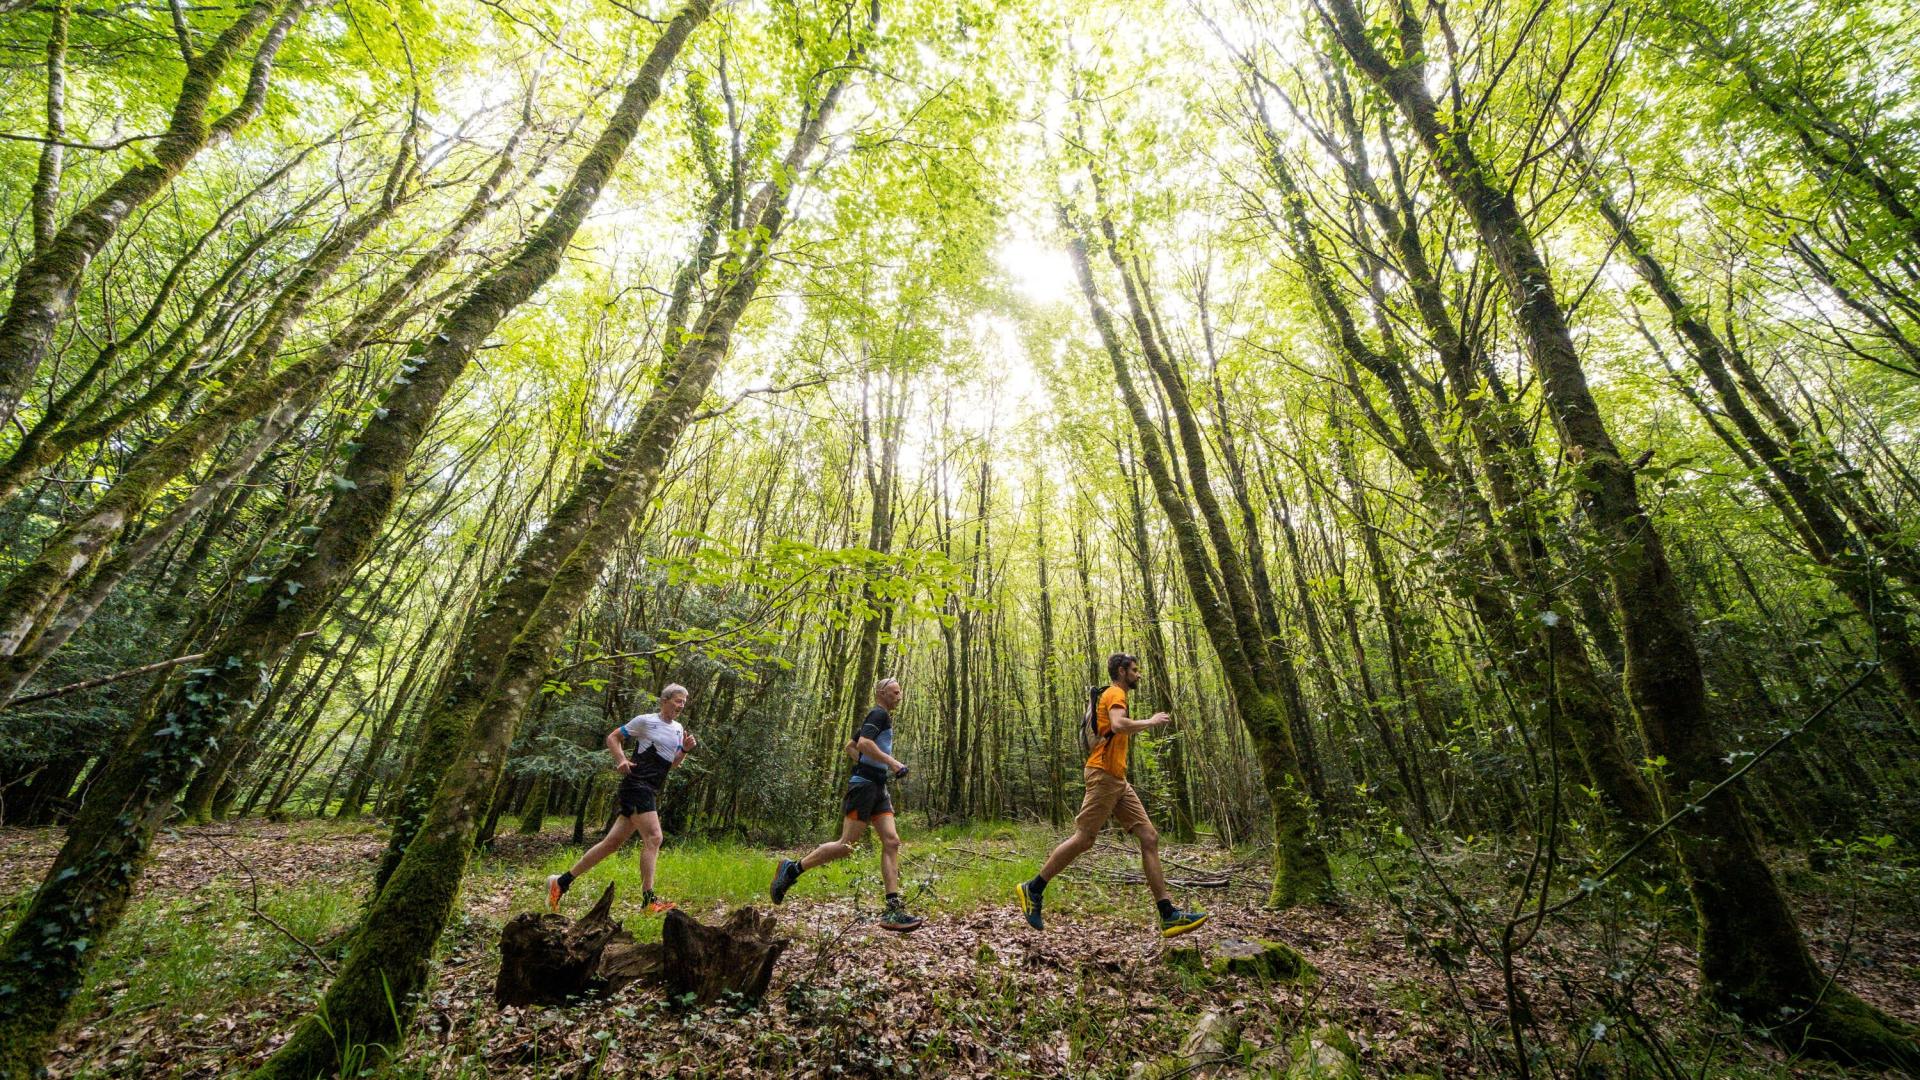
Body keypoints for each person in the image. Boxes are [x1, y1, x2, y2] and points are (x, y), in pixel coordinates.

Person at [1015, 653, 1206, 938]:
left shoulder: (1113, 693)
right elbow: (1118, 725)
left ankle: (1168, 915)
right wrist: (1151, 722)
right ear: (1121, 671)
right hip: (1103, 775)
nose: (1139, 675)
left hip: (1117, 779)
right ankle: (1033, 889)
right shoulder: (1116, 693)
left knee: (1149, 837)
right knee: (1084, 838)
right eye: (1135, 670)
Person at [769, 677, 925, 931]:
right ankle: (792, 869)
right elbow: (863, 744)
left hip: (877, 786)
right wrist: (893, 763)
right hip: (864, 787)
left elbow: (851, 746)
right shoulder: (878, 714)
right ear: (882, 693)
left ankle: (893, 910)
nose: (900, 695)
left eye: (900, 691)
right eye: (895, 691)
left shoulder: (877, 717)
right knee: (846, 846)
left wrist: (868, 765)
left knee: (892, 841)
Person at [546, 683, 697, 914]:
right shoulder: (645, 721)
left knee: (611, 844)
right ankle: (649, 902)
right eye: (678, 701)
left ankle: (561, 882)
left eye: (684, 702)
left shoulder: (678, 728)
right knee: (655, 838)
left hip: (650, 788)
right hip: (637, 785)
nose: (681, 706)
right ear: (665, 700)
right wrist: (621, 760)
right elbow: (613, 737)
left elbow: (672, 764)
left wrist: (684, 750)